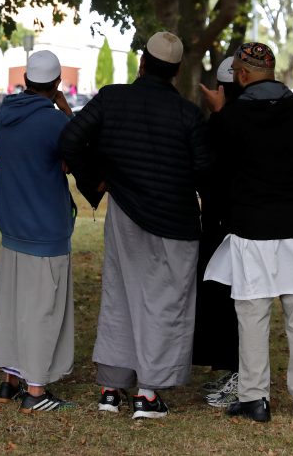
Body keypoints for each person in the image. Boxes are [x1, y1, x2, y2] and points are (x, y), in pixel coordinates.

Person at [59, 31, 210, 420]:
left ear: (142, 63)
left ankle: (111, 388)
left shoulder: (112, 97)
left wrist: (96, 179)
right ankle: (148, 394)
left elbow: (71, 138)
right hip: (174, 220)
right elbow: (205, 172)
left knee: (120, 295)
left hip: (124, 213)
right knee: (165, 302)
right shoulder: (188, 114)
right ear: (176, 71)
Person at [199, 42, 293, 423]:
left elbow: (210, 171)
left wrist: (219, 115)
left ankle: (254, 399)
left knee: (252, 315)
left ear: (241, 75)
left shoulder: (231, 119)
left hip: (250, 229)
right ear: (273, 71)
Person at [0, 50, 78, 413]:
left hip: (12, 227)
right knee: (43, 310)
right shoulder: (54, 123)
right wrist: (65, 109)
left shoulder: (4, 114)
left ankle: (10, 381)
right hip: (46, 229)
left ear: (25, 80)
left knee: (13, 308)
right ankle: (37, 392)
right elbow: (79, 153)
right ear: (57, 84)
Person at [192, 55, 241, 407]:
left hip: (230, 224)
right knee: (225, 300)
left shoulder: (228, 123)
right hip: (226, 222)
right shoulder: (233, 121)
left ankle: (241, 373)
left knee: (234, 302)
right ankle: (232, 367)